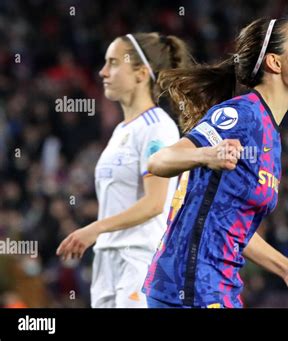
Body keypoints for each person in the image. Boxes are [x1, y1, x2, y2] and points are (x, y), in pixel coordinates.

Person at [142, 18, 288, 308]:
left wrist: (285, 267)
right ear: (275, 63)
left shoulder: (271, 135)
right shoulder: (241, 114)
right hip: (189, 290)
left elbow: (232, 225)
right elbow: (160, 160)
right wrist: (206, 154)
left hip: (219, 289)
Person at [56, 32, 192, 308]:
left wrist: (95, 228)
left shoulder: (158, 128)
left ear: (141, 73)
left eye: (113, 63)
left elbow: (155, 203)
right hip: (107, 258)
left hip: (138, 258)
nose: (103, 71)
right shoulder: (120, 131)